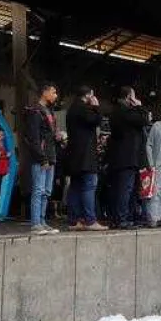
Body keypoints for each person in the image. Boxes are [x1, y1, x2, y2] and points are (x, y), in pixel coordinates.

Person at [105, 86, 150, 228]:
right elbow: (144, 120)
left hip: (121, 157)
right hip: (127, 157)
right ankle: (122, 218)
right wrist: (140, 106)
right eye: (133, 96)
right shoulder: (125, 111)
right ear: (129, 97)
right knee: (126, 188)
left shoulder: (116, 111)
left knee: (123, 188)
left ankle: (124, 217)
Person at [63, 86, 106, 231]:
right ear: (88, 95)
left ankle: (74, 220)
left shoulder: (72, 109)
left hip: (74, 155)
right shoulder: (84, 108)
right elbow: (97, 120)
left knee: (75, 186)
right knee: (90, 185)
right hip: (86, 156)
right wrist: (96, 107)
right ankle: (90, 220)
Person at [22, 82, 61, 235]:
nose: (55, 95)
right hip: (41, 158)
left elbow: (47, 135)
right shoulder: (35, 111)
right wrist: (42, 158)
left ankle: (43, 221)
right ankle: (35, 223)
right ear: (44, 92)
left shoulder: (49, 111)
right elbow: (34, 138)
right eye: (53, 92)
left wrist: (58, 138)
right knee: (38, 190)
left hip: (51, 156)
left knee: (46, 191)